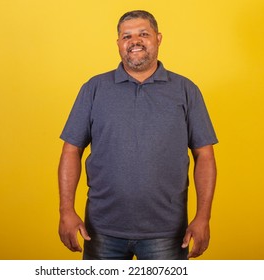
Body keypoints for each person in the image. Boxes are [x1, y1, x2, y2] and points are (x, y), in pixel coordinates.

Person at [58, 10, 218, 260]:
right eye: (127, 36)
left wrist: (203, 217)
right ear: (119, 43)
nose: (135, 41)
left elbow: (205, 156)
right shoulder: (94, 88)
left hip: (167, 232)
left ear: (158, 38)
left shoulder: (186, 90)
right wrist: (66, 210)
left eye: (144, 34)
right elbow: (71, 150)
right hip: (101, 230)